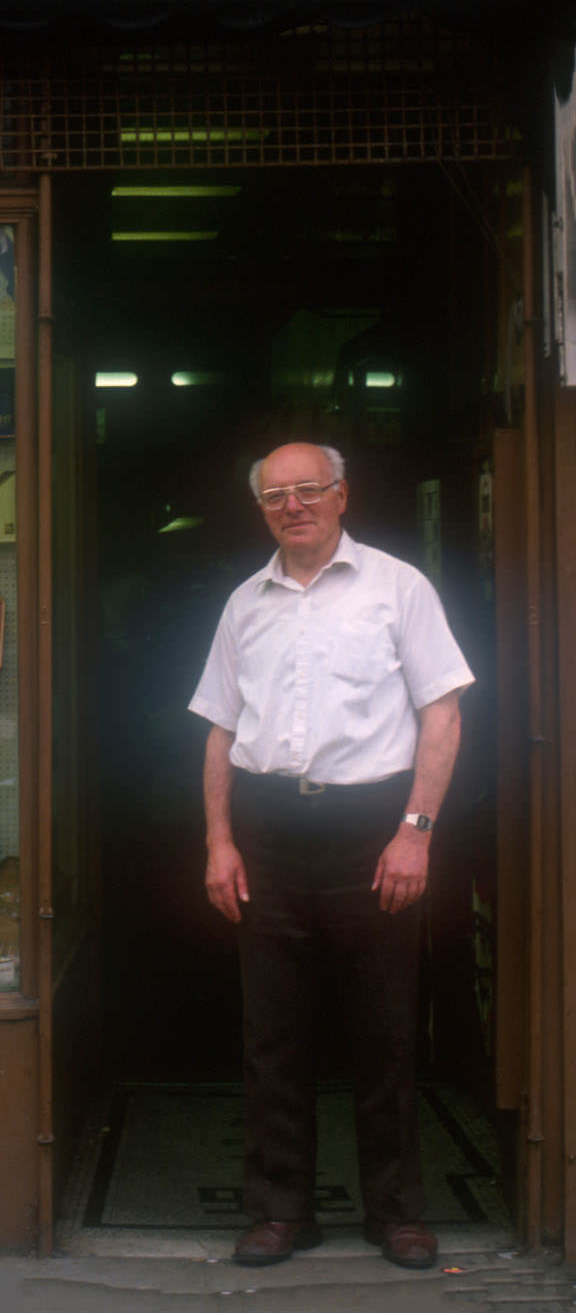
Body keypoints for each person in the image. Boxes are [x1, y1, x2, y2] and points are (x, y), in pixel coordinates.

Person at [188, 442, 473, 1272]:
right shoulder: (245, 603)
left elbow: (443, 712)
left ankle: (396, 1213)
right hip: (269, 830)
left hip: (371, 828)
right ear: (262, 508)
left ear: (342, 495)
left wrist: (416, 828)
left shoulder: (397, 587)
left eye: (310, 488)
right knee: (271, 1032)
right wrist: (218, 840)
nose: (294, 504)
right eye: (277, 494)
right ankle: (282, 1212)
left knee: (384, 1028)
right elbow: (220, 729)